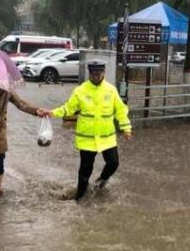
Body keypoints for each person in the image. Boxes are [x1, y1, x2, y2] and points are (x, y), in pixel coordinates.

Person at [44, 60, 132, 201]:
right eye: (93, 74)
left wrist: (126, 128)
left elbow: (121, 111)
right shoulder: (81, 90)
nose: (96, 76)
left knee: (113, 163)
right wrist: (52, 113)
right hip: (87, 139)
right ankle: (80, 196)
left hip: (107, 138)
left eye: (99, 73)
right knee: (85, 170)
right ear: (90, 73)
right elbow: (68, 108)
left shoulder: (111, 90)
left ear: (103, 73)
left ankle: (100, 182)